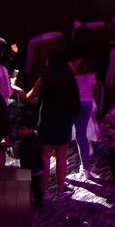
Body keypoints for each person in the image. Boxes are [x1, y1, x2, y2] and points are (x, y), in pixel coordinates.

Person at [23, 52, 82, 198]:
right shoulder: (70, 79)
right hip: (63, 120)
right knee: (62, 156)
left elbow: (29, 97)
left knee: (45, 156)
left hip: (47, 121)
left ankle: (44, 191)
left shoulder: (44, 79)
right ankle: (61, 189)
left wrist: (16, 89)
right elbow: (75, 104)